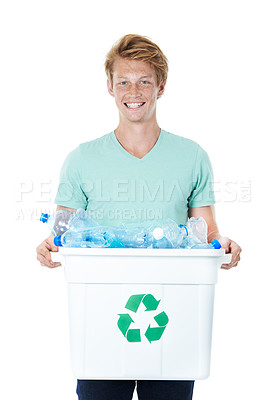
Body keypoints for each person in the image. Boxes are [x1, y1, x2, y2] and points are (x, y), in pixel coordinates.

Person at [36, 34, 242, 400]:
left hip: (173, 316)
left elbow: (206, 231)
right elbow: (65, 230)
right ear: (110, 87)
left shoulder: (192, 156)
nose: (134, 91)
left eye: (144, 81)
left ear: (161, 87)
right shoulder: (82, 159)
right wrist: (51, 242)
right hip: (100, 319)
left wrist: (220, 244)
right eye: (124, 82)